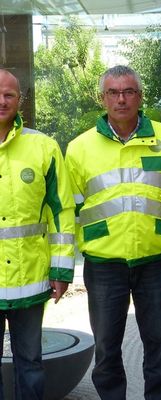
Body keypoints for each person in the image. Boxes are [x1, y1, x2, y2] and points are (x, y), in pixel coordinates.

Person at [65, 65, 161, 400]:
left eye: (129, 91)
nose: (121, 99)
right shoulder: (80, 148)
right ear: (103, 98)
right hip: (103, 264)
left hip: (154, 260)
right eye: (113, 93)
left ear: (140, 96)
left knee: (158, 344)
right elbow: (69, 212)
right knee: (107, 347)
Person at [0, 69, 75, 399]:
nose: (2, 101)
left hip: (28, 280)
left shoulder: (43, 147)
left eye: (9, 95)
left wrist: (60, 270)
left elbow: (62, 213)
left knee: (30, 363)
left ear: (20, 100)